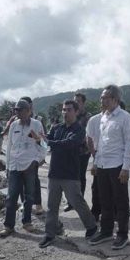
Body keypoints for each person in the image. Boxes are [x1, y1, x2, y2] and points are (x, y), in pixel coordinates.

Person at [38, 100, 98, 248]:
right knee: (52, 206)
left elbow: (69, 143)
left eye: (69, 110)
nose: (65, 112)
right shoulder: (57, 128)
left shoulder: (79, 130)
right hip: (54, 173)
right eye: (64, 110)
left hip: (70, 174)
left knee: (77, 202)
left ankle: (91, 226)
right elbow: (47, 145)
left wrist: (48, 141)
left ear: (76, 112)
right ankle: (50, 234)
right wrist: (39, 140)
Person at [88, 85, 130, 250]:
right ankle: (106, 231)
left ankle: (123, 234)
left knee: (120, 202)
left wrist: (125, 168)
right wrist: (95, 163)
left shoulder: (125, 117)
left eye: (105, 97)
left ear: (115, 99)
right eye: (101, 98)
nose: (102, 100)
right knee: (104, 200)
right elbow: (101, 143)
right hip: (102, 165)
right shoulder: (104, 118)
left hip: (117, 166)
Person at [0, 99, 46, 237]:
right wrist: (7, 166)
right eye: (16, 110)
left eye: (19, 110)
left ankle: (27, 222)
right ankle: (9, 226)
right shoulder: (13, 125)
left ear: (28, 111)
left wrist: (36, 161)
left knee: (29, 195)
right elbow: (9, 147)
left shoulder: (36, 125)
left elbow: (43, 144)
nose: (17, 112)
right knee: (11, 196)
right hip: (14, 165)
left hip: (29, 165)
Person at [64, 92, 92, 212]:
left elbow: (88, 134)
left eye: (78, 101)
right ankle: (71, 202)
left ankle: (79, 202)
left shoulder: (88, 117)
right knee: (70, 177)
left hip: (82, 152)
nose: (76, 103)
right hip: (70, 151)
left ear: (83, 103)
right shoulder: (70, 114)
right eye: (75, 100)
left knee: (80, 177)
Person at [20, 96, 46, 216]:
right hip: (20, 158)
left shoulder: (38, 120)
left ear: (31, 106)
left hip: (33, 158)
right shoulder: (17, 119)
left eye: (26, 105)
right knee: (21, 182)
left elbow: (43, 140)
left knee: (34, 180)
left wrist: (42, 158)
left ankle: (38, 205)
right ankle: (25, 204)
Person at [86, 108, 105, 221]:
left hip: (115, 159)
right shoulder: (94, 120)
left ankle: (113, 213)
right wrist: (94, 154)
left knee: (113, 188)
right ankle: (96, 212)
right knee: (97, 187)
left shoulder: (121, 118)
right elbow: (89, 138)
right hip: (99, 157)